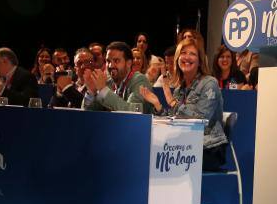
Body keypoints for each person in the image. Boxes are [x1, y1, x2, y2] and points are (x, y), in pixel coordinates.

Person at [139, 39, 227, 170]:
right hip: (185, 144)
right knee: (150, 155)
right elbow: (173, 120)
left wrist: (173, 102)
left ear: (200, 61)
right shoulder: (180, 88)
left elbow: (201, 121)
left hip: (209, 148)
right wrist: (158, 105)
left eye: (192, 54)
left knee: (167, 162)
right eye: (183, 53)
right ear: (177, 59)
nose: (187, 57)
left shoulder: (209, 83)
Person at [81, 41, 153, 112]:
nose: (110, 65)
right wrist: (91, 92)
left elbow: (133, 112)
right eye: (108, 61)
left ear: (129, 63)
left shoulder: (140, 81)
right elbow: (89, 113)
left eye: (116, 61)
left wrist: (103, 90)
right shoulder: (107, 81)